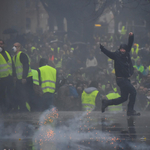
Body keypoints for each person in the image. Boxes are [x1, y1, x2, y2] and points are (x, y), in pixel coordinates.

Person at [100, 32, 140, 116]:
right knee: (133, 92)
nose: (122, 50)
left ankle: (106, 103)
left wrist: (131, 36)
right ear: (119, 49)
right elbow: (108, 53)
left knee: (124, 98)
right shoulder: (116, 55)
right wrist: (102, 48)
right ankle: (130, 111)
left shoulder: (127, 54)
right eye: (121, 49)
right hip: (121, 79)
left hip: (125, 79)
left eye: (123, 49)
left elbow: (130, 44)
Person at [13, 42, 33, 112]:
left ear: (19, 48)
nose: (14, 47)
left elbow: (26, 66)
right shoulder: (14, 57)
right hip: (20, 79)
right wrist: (15, 77)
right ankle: (23, 109)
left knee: (26, 94)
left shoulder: (22, 55)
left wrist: (24, 77)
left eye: (15, 46)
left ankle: (29, 109)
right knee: (21, 94)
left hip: (26, 78)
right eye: (13, 46)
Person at [0, 39, 14, 112]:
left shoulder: (7, 53)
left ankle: (10, 107)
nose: (0, 45)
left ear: (4, 45)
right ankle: (3, 108)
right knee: (2, 94)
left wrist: (13, 75)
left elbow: (11, 64)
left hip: (9, 77)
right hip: (1, 78)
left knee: (10, 92)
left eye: (1, 44)